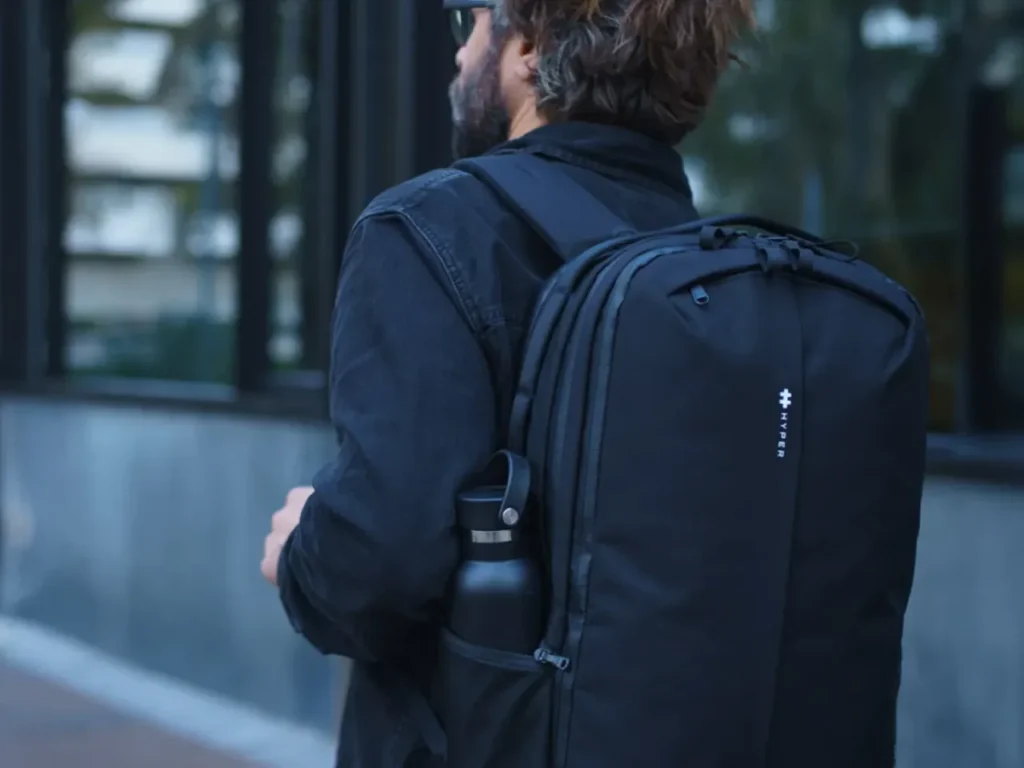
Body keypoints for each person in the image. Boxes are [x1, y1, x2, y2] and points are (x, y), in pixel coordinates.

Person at [261, 1, 755, 765]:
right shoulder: (726, 279)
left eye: (474, 21)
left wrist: (303, 551)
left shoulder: (431, 228)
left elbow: (379, 570)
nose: (459, 55)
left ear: (530, 48)